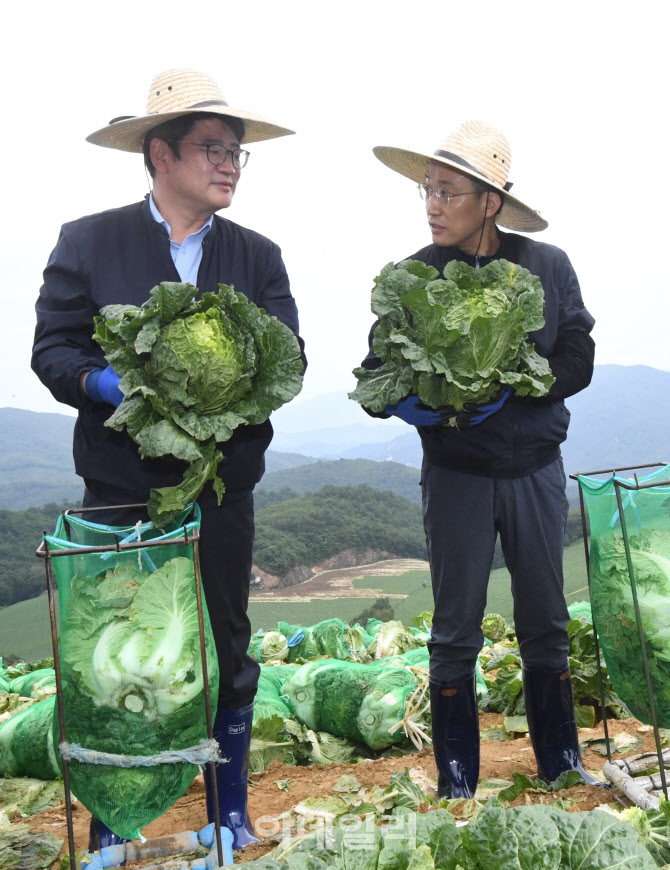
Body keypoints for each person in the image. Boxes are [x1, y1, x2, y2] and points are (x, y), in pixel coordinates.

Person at [31, 68, 304, 850]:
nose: (230, 165)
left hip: (219, 489)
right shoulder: (89, 241)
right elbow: (53, 350)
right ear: (161, 154)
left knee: (226, 646)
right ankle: (113, 825)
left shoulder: (258, 256)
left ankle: (228, 811)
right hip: (122, 487)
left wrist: (224, 403)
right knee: (111, 653)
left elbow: (289, 357)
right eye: (214, 148)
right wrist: (102, 383)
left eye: (237, 152)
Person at [359, 120, 601, 798]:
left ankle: (561, 759)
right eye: (427, 191)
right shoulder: (413, 276)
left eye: (449, 192)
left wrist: (524, 383)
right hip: (457, 475)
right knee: (455, 627)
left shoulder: (546, 266)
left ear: (490, 201)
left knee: (546, 621)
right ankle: (458, 776)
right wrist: (408, 405)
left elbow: (578, 354)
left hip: (535, 469)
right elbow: (376, 373)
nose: (433, 206)